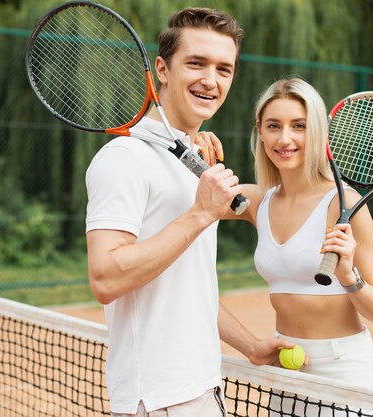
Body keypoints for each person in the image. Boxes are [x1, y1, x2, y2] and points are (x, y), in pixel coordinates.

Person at [85, 9, 293, 417]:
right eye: (196, 63)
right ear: (161, 68)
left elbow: (186, 286)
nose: (210, 81)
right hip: (159, 399)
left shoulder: (190, 157)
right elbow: (105, 278)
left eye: (224, 69)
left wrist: (248, 345)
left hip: (201, 386)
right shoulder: (124, 158)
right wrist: (200, 213)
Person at [208, 77, 373, 392]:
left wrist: (349, 277)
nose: (284, 138)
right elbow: (192, 203)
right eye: (273, 126)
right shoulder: (255, 201)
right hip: (287, 366)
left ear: (318, 132)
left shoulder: (344, 203)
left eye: (299, 126)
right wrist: (195, 153)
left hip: (345, 371)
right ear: (260, 131)